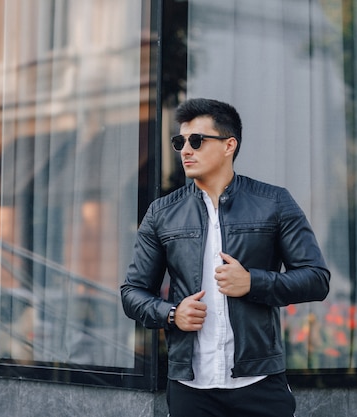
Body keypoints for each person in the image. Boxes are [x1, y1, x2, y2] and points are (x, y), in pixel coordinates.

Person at [120, 98, 330, 417]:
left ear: (229, 145)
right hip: (191, 389)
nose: (185, 150)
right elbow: (132, 292)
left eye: (197, 141)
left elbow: (316, 279)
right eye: (180, 142)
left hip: (259, 383)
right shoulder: (162, 213)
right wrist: (171, 313)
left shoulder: (273, 203)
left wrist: (252, 282)